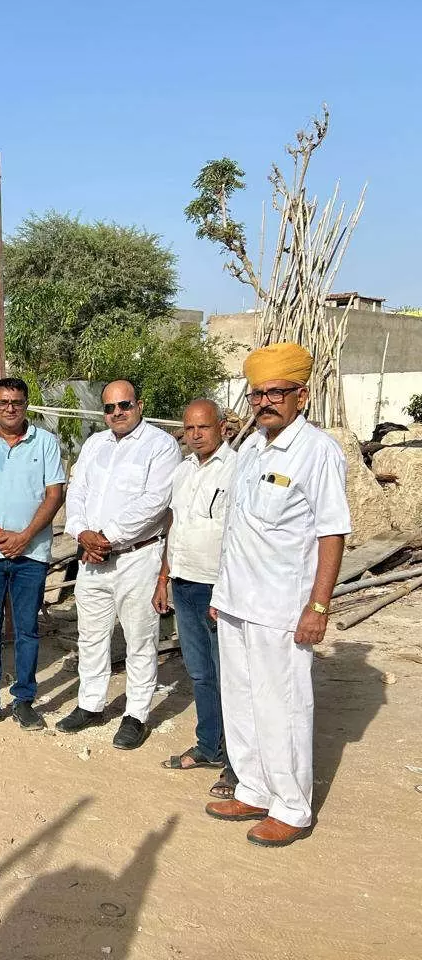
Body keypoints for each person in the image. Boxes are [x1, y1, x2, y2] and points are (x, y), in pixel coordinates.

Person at [206, 343, 349, 847]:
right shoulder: (249, 449)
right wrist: (221, 593)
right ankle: (253, 788)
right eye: (258, 393)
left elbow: (332, 534)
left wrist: (318, 606)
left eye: (276, 392)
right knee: (242, 700)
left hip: (282, 607)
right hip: (238, 601)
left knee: (282, 705)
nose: (265, 401)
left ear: (301, 395)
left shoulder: (318, 451)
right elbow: (237, 530)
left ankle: (292, 807)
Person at [57, 379, 181, 749]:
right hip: (92, 558)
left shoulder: (160, 447)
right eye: (109, 408)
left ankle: (136, 714)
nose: (117, 413)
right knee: (91, 635)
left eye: (124, 406)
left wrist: (106, 536)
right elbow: (76, 493)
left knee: (139, 638)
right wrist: (81, 534)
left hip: (136, 557)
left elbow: (154, 502)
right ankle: (91, 704)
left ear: (139, 405)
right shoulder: (95, 445)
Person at [0, 377, 66, 731]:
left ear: (26, 404)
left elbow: (54, 495)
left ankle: (24, 701)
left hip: (31, 554)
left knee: (26, 629)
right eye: (3, 402)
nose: (10, 408)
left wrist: (25, 537)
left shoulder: (46, 442)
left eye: (16, 402)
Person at [153, 400, 238, 791]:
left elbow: (239, 536)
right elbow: (175, 526)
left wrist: (228, 590)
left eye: (203, 427)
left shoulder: (237, 469)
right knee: (200, 673)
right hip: (184, 584)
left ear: (221, 426)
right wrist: (163, 578)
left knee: (230, 678)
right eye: (189, 429)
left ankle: (238, 764)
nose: (196, 435)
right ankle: (209, 746)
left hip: (219, 589)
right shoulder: (182, 472)